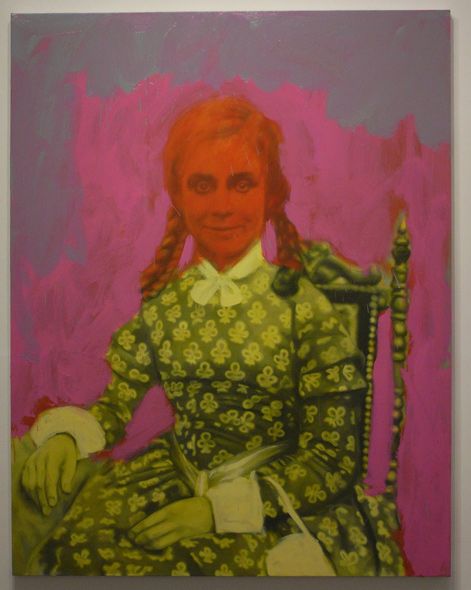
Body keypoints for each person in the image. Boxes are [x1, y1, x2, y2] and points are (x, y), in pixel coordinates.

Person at [17, 96, 405, 576]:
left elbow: (330, 461)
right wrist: (66, 439)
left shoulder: (304, 309)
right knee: (77, 556)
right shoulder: (167, 305)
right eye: (202, 186)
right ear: (178, 197)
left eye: (241, 184)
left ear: (270, 194)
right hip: (174, 479)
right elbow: (115, 407)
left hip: (277, 507)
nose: (222, 206)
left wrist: (216, 511)